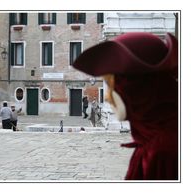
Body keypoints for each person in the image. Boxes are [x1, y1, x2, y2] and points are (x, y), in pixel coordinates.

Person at [73, 32, 178, 180]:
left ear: (136, 90)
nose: (107, 97)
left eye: (111, 86)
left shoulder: (164, 151)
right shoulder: (152, 142)